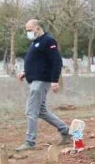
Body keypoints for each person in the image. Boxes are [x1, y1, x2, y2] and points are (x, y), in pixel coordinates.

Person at [14, 19, 70, 152]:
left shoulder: (48, 41)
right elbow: (38, 63)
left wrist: (55, 80)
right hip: (34, 80)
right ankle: (65, 130)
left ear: (38, 28)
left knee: (31, 110)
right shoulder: (36, 43)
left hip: (41, 81)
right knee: (42, 111)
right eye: (26, 31)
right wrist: (26, 72)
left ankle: (29, 142)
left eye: (30, 30)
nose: (28, 33)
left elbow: (56, 61)